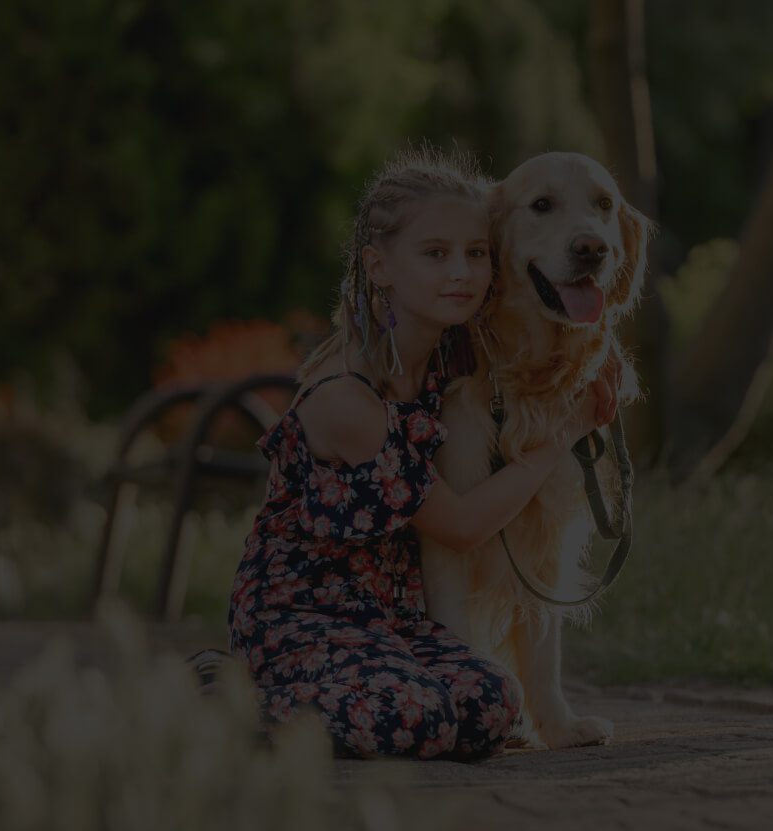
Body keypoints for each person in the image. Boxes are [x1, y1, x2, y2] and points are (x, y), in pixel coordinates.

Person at [219, 146, 616, 761]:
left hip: (390, 620)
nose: (460, 272)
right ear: (379, 267)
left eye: (474, 254)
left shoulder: (448, 355)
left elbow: (540, 351)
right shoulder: (348, 397)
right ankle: (222, 700)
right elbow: (458, 528)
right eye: (435, 255)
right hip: (305, 618)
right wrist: (563, 434)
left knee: (491, 705)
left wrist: (595, 360)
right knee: (419, 717)